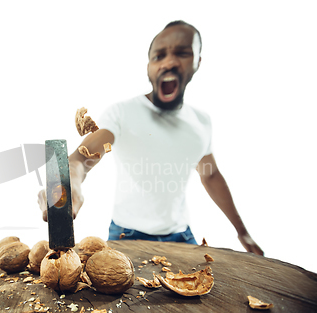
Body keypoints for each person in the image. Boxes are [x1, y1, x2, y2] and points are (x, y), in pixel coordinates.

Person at [38, 20, 263, 255]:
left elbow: (211, 175)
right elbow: (82, 158)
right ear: (149, 68)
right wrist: (71, 181)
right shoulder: (122, 113)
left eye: (183, 53)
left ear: (197, 61)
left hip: (181, 236)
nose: (169, 62)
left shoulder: (202, 121)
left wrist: (241, 231)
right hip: (126, 236)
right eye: (159, 56)